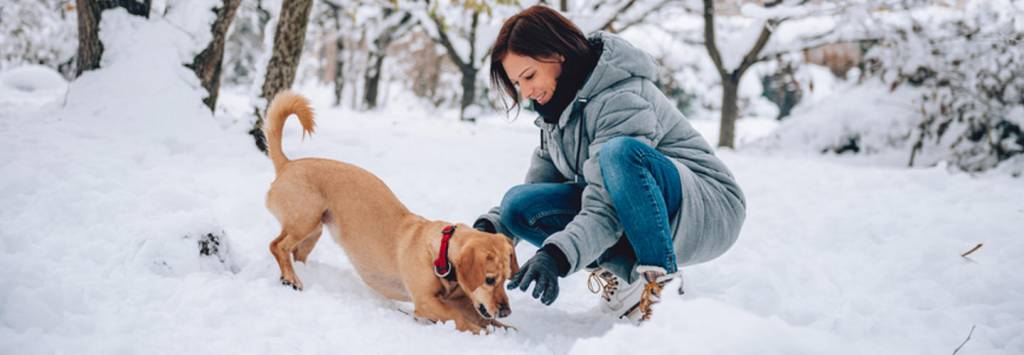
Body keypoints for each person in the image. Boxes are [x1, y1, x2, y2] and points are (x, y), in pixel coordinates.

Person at [473, 5, 746, 321]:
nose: (527, 92)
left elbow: (607, 204)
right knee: (518, 207)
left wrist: (556, 255)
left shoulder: (620, 96)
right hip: (635, 202)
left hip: (708, 206)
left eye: (530, 76)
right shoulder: (556, 111)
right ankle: (628, 276)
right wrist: (487, 232)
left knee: (618, 155)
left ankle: (659, 287)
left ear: (557, 53)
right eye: (518, 84)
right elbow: (535, 189)